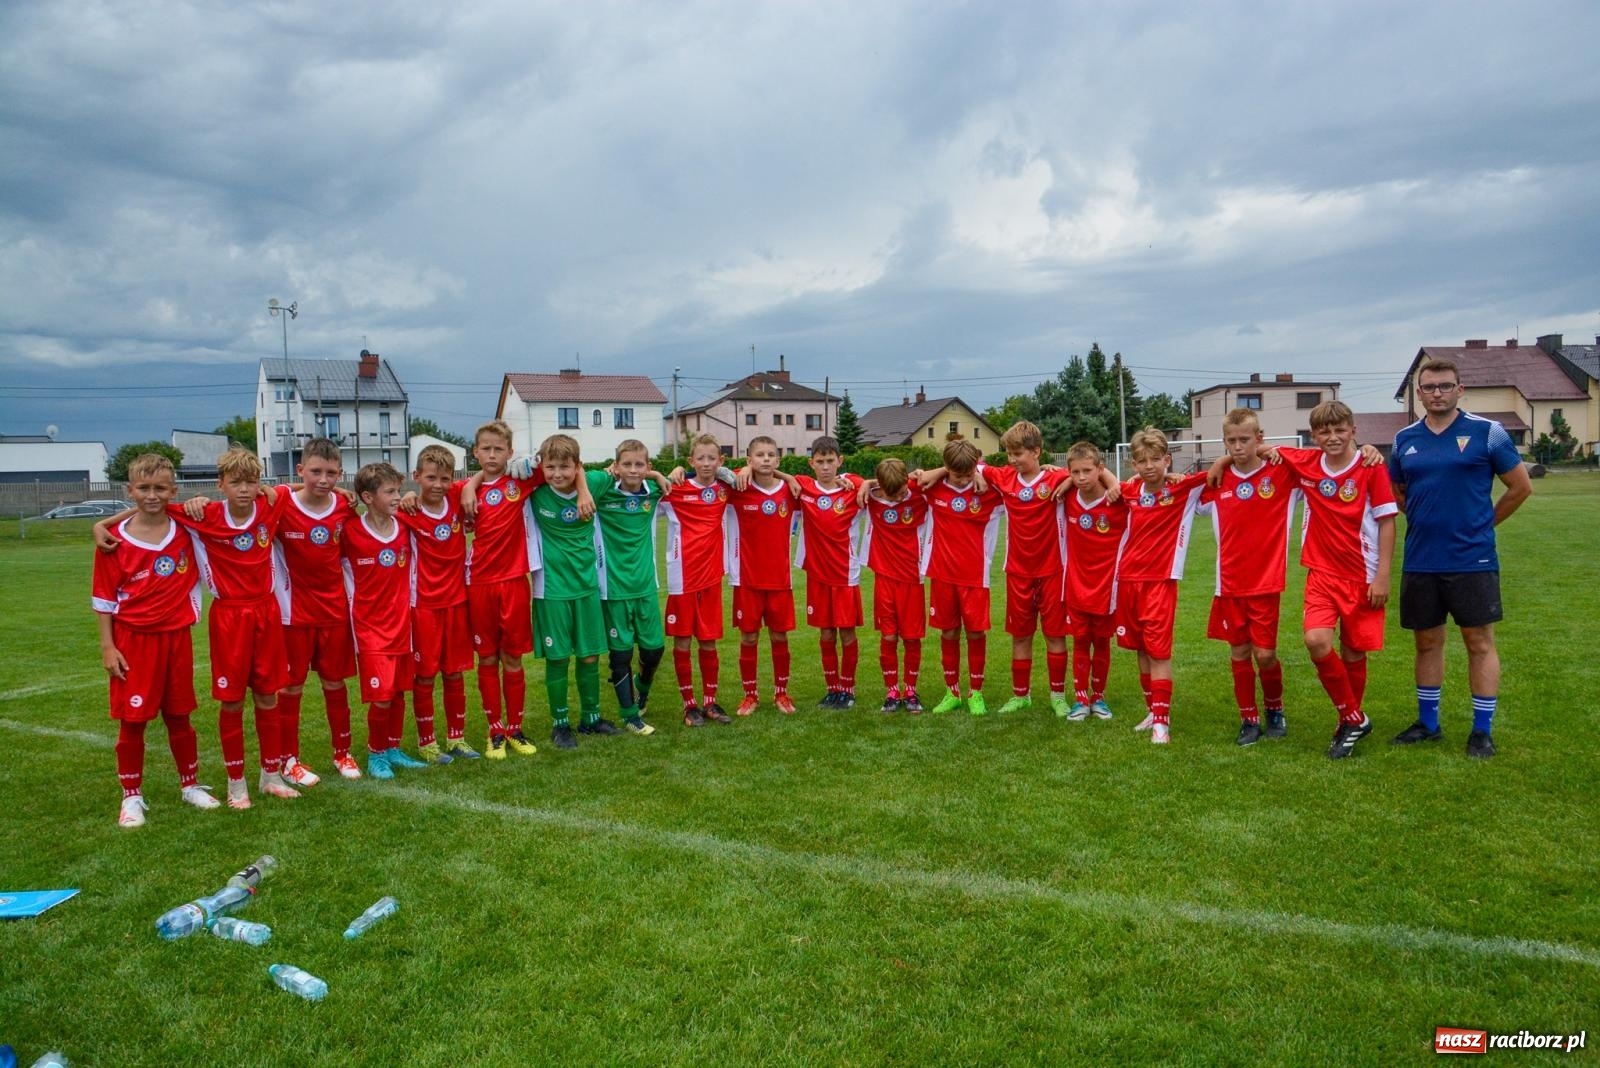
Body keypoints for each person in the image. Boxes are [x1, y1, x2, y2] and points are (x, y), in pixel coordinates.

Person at [98, 447, 292, 807]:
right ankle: (236, 783)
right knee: (231, 701)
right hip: (229, 617)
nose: (245, 490)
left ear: (261, 484)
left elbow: (307, 488)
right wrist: (102, 524)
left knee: (268, 696)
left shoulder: (272, 503)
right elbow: (148, 506)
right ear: (221, 485)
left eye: (252, 482)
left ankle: (271, 774)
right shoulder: (204, 514)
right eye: (236, 482)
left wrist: (337, 492)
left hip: (266, 613)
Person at [1387, 357, 1531, 758]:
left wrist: (1484, 525)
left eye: (1445, 386)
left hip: (1473, 560)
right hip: (1421, 560)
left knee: (1478, 642)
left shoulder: (1488, 433)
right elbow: (1397, 491)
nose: (1437, 393)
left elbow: (1519, 488)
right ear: (1419, 394)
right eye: (1429, 388)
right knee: (1426, 642)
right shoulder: (1405, 439)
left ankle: (1481, 730)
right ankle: (1428, 724)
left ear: (1459, 388)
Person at [1263, 402, 1398, 760]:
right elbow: (1260, 449)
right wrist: (1221, 461)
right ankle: (1354, 718)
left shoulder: (1371, 468)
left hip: (1362, 575)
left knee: (1354, 650)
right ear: (1314, 435)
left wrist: (1383, 575)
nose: (1332, 437)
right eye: (1324, 431)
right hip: (1321, 573)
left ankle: (1347, 724)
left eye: (1340, 429)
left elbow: (1387, 522)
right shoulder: (1305, 462)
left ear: (1353, 430)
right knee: (1316, 640)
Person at [92, 453, 220, 826]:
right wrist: (108, 646)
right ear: (129, 490)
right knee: (133, 721)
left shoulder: (187, 527)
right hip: (132, 640)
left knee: (180, 715)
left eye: (160, 488)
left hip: (176, 637)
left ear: (173, 491)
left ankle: (190, 785)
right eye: (144, 488)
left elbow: (251, 497)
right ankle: (131, 796)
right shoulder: (114, 540)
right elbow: (103, 599)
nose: (152, 495)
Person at [1198, 410, 1299, 746]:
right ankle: (1249, 719)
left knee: (1265, 654)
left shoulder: (1281, 474)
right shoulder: (1216, 480)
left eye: (1245, 439)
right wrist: (1221, 463)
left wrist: (1277, 450)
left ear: (1259, 437)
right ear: (1224, 442)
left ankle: (1275, 708)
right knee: (1239, 652)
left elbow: (1319, 459)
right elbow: (1169, 489)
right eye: (1231, 441)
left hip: (1266, 583)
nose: (1239, 446)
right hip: (1228, 584)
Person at [970, 421, 1075, 715]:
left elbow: (1094, 473)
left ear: (1037, 451)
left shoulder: (1057, 478)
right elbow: (973, 465)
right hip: (1017, 571)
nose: (1012, 459)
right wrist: (978, 475)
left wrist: (1067, 479)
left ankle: (1057, 696)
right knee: (1021, 635)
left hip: (1053, 570)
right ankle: (1021, 695)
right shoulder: (1004, 477)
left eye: (1017, 453)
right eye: (1008, 453)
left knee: (1055, 635)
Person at [271, 437, 359, 783]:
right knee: (290, 688)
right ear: (300, 470)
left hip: (335, 611)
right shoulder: (281, 502)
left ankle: (343, 753)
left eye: (332, 473)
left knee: (335, 683)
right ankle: (288, 760)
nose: (323, 479)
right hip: (293, 614)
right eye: (315, 472)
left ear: (340, 473)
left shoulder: (343, 505)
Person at [1114, 428, 1208, 745]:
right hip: (1127, 580)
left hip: (1160, 582)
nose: (1150, 466)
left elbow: (1222, 467)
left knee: (1158, 653)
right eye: (1142, 460)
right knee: (1140, 649)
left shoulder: (1183, 489)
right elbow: (1094, 476)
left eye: (1156, 459)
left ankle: (1162, 725)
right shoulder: (1128, 491)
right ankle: (1151, 712)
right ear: (1134, 464)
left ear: (1167, 460)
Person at [523, 434, 614, 748]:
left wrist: (585, 488)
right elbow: (506, 471)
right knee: (558, 658)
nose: (557, 474)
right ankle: (559, 724)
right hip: (551, 591)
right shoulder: (534, 493)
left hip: (587, 587)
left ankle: (591, 718)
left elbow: (620, 470)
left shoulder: (596, 484)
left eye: (565, 467)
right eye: (551, 467)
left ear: (578, 466)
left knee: (589, 656)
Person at [340, 462, 428, 779]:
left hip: (403, 625)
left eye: (397, 490)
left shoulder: (404, 525)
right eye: (389, 491)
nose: (397, 496)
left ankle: (392, 747)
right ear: (367, 496)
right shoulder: (349, 531)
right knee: (380, 697)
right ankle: (376, 754)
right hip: (369, 628)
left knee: (398, 691)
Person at [460, 420, 542, 759]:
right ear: (475, 452)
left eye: (499, 449)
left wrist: (581, 490)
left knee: (512, 657)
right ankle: (494, 730)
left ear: (509, 452)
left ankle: (516, 728)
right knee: (488, 657)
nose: (492, 454)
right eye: (486, 448)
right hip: (479, 584)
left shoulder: (519, 482)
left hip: (513, 583)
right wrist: (469, 486)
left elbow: (567, 463)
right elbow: (423, 495)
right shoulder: (464, 489)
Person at [397, 445, 479, 761]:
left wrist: (469, 485)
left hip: (457, 602)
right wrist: (404, 497)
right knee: (426, 675)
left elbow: (484, 473)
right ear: (417, 477)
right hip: (424, 606)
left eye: (445, 478)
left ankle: (456, 738)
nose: (438, 485)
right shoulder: (408, 511)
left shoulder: (457, 498)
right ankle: (427, 741)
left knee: (454, 673)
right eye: (431, 477)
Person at [592, 439, 673, 734]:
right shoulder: (602, 496)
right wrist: (606, 474)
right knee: (621, 654)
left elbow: (692, 475)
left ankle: (643, 686)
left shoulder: (653, 495)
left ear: (648, 467)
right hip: (613, 589)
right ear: (616, 466)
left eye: (640, 464)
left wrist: (658, 475)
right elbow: (576, 482)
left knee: (654, 650)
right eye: (626, 464)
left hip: (646, 586)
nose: (633, 469)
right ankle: (630, 716)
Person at [918, 439, 1004, 716]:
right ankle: (952, 691)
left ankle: (975, 691)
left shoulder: (989, 491)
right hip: (942, 575)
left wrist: (979, 471)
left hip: (975, 577)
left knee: (976, 632)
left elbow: (1018, 479)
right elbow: (897, 479)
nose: (963, 479)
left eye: (968, 473)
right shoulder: (933, 488)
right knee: (949, 631)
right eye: (957, 475)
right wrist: (938, 473)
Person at [660, 434, 735, 725]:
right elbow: (638, 484)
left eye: (711, 458)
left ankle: (710, 702)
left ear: (721, 461)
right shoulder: (675, 488)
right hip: (682, 578)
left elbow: (759, 472)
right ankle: (689, 704)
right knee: (682, 641)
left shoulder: (726, 489)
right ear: (691, 461)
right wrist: (665, 473)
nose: (706, 464)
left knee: (708, 642)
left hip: (711, 577)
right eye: (700, 458)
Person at [726, 436, 803, 716]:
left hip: (780, 580)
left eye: (771, 454)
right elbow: (709, 474)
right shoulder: (738, 487)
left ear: (779, 460)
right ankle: (750, 695)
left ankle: (781, 693)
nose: (766, 459)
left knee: (780, 637)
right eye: (759, 455)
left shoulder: (791, 490)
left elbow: (828, 482)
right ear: (749, 460)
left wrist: (788, 476)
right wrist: (741, 472)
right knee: (748, 638)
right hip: (746, 579)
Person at [792, 436, 865, 708]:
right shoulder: (804, 487)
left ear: (840, 461)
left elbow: (880, 482)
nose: (825, 467)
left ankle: (848, 688)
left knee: (846, 633)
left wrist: (860, 482)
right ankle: (832, 688)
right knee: (825, 634)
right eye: (820, 462)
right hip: (817, 576)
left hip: (845, 576)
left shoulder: (852, 491)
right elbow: (765, 473)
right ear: (811, 463)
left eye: (830, 461)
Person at [1055, 442, 1126, 722]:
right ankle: (1080, 699)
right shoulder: (1068, 495)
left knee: (1102, 642)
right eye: (1075, 472)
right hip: (1075, 585)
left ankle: (1099, 697)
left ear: (1100, 469)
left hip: (1107, 587)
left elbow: (1147, 485)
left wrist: (1113, 482)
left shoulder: (1118, 499)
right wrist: (1063, 480)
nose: (1082, 478)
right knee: (1081, 641)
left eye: (1088, 471)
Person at [857, 458, 930, 712]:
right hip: (884, 579)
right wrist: (866, 483)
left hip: (912, 578)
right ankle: (891, 690)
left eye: (901, 492)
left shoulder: (919, 491)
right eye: (893, 494)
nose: (899, 498)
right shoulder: (871, 497)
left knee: (911, 637)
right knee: (888, 636)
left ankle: (910, 690)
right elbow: (839, 478)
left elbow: (956, 471)